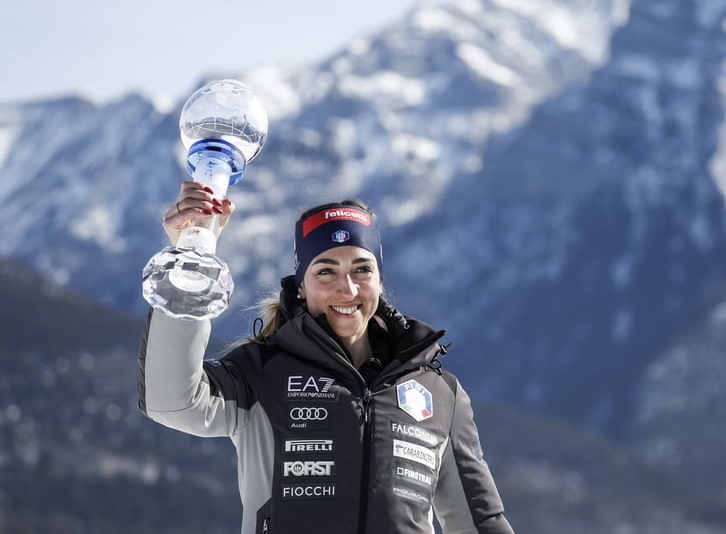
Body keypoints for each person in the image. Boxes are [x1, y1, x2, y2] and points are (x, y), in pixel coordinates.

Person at [138, 181, 514, 534]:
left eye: (362, 269)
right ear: (301, 286)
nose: (346, 288)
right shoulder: (262, 371)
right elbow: (171, 401)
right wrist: (189, 260)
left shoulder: (439, 393)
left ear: (380, 281)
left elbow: (480, 523)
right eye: (326, 271)